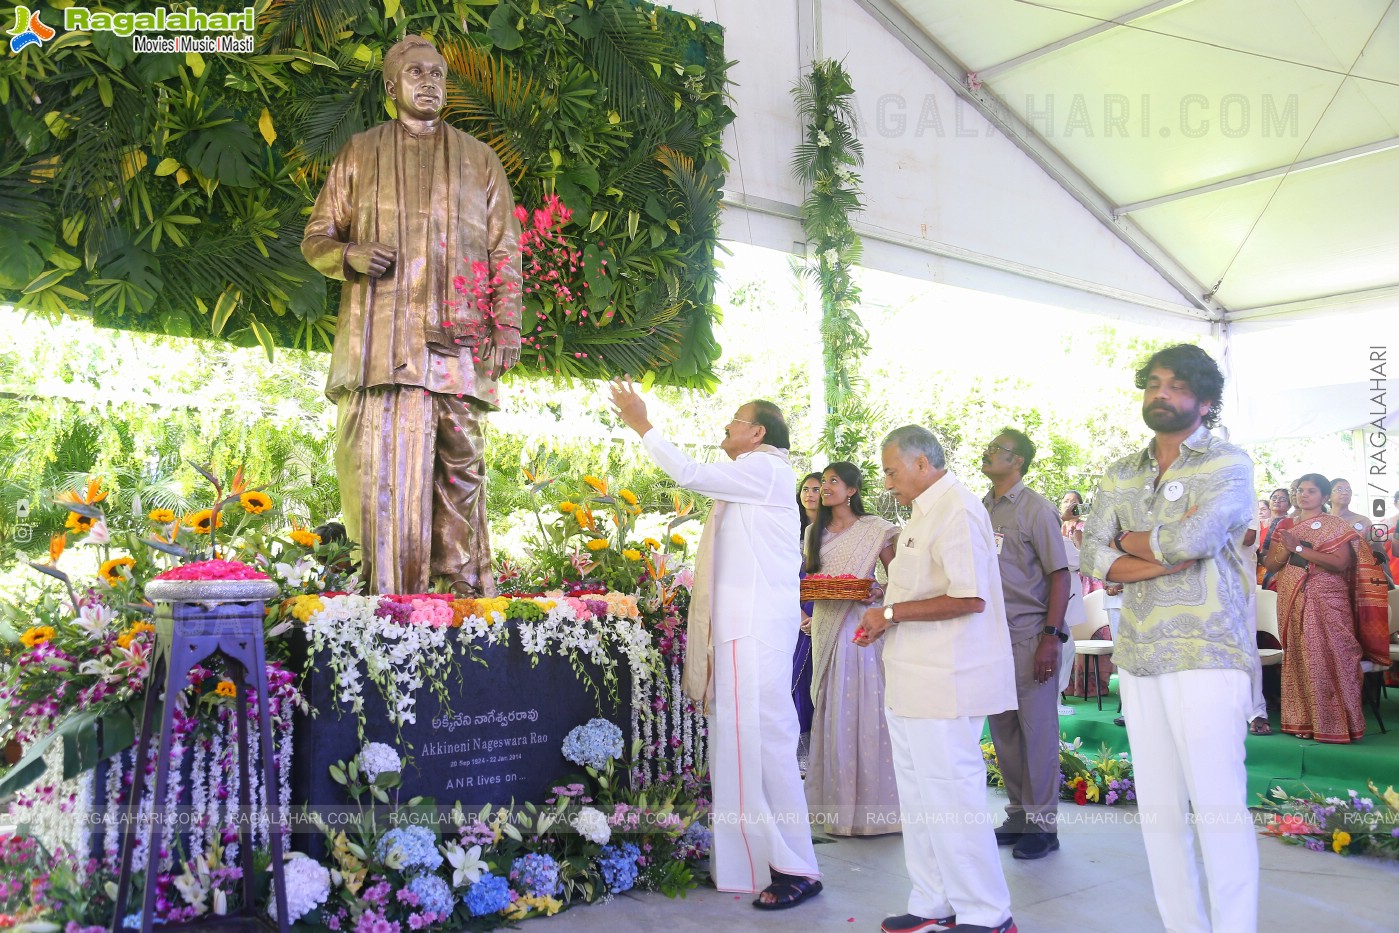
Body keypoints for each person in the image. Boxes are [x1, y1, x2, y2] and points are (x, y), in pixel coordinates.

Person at [302, 35, 522, 597]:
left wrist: (508, 322)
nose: (430, 82)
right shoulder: (360, 152)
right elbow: (318, 237)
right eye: (417, 72)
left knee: (460, 471)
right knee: (381, 478)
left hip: (458, 344)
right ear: (390, 86)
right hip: (382, 343)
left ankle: (459, 596)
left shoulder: (480, 159)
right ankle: (388, 600)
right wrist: (348, 254)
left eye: (439, 74)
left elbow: (505, 250)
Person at [608, 379, 821, 910]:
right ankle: (746, 863)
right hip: (739, 629)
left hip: (753, 630)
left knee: (761, 742)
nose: (727, 425)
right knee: (735, 741)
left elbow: (690, 473)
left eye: (735, 419)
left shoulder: (766, 468)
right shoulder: (751, 476)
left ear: (757, 432)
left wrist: (642, 423)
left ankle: (794, 866)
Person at [1080, 344, 1258, 933]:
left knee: (1218, 808)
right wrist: (1159, 554)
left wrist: (1133, 544)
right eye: (1153, 383)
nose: (1161, 393)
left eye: (1177, 385)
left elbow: (1201, 538)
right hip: (1137, 655)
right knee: (1158, 813)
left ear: (1205, 400)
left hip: (1208, 650)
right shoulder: (1120, 471)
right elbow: (1091, 551)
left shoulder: (1228, 462)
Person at [857, 425, 1017, 933]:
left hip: (946, 680)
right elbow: (917, 592)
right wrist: (885, 617)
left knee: (952, 795)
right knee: (920, 798)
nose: (886, 481)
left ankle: (987, 913)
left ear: (922, 464)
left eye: (891, 470)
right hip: (912, 678)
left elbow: (969, 597)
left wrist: (892, 613)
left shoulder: (959, 508)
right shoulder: (921, 514)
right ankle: (933, 904)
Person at [979, 429, 1070, 860]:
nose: (988, 453)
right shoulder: (982, 508)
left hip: (1030, 634)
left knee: (1037, 732)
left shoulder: (1036, 509)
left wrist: (1050, 638)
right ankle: (1017, 814)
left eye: (997, 449)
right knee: (1005, 733)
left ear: (1017, 461)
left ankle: (1043, 824)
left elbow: (1060, 575)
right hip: (990, 638)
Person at [802, 462, 900, 836]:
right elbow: (812, 580)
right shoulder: (813, 532)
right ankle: (836, 809)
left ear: (852, 490)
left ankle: (874, 813)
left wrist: (878, 592)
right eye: (823, 482)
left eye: (833, 482)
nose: (825, 488)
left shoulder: (875, 530)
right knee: (832, 710)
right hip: (826, 627)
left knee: (862, 709)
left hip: (861, 629)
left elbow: (899, 578)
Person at [1260, 473, 1391, 743]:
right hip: (1292, 597)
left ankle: (1337, 723)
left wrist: (1299, 547)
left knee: (1333, 656)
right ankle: (1305, 722)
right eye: (1299, 490)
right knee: (1299, 656)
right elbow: (1272, 566)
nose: (1303, 495)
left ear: (1323, 496)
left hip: (1327, 596)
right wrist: (1287, 548)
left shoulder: (1335, 525)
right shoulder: (1284, 523)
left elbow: (1339, 563)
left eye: (1310, 491)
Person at [793, 473, 822, 767]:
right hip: (795, 608)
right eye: (806, 489)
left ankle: (821, 750)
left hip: (825, 609)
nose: (810, 494)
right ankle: (800, 752)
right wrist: (799, 613)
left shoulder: (833, 531)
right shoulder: (790, 527)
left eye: (816, 489)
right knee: (797, 679)